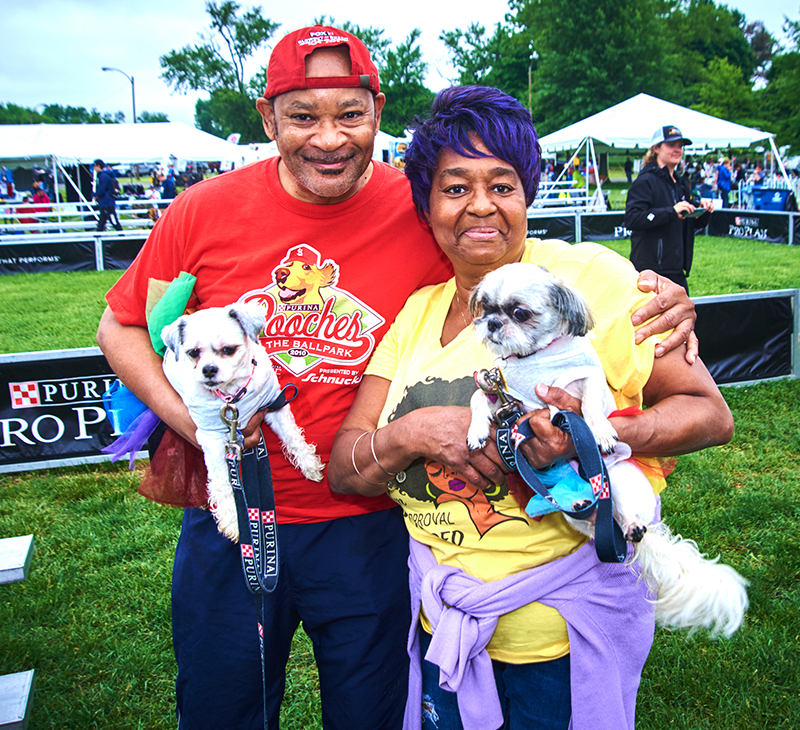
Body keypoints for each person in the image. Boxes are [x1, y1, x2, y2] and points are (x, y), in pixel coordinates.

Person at [97, 27, 697, 730]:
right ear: (268, 119)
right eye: (303, 116)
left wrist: (655, 293)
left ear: (377, 110)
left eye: (349, 114)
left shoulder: (420, 206)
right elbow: (121, 326)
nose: (329, 138)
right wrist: (199, 428)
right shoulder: (206, 208)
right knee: (221, 707)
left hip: (365, 527)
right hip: (234, 518)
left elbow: (501, 244)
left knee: (371, 713)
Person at [327, 86, 734, 730]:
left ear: (528, 194)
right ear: (426, 205)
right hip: (446, 626)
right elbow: (347, 470)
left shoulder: (589, 279)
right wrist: (408, 434)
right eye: (455, 187)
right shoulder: (416, 312)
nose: (480, 205)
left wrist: (596, 436)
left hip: (561, 638)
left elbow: (710, 414)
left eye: (503, 184)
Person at [624, 125, 713, 294]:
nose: (677, 150)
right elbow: (632, 219)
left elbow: (689, 223)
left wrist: (703, 213)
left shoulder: (680, 183)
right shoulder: (645, 181)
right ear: (656, 148)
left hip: (678, 271)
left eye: (680, 146)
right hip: (651, 273)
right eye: (671, 145)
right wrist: (670, 212)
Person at [93, 159, 123, 231]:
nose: (94, 168)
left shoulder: (103, 176)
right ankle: (98, 234)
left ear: (98, 166)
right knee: (102, 220)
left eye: (94, 166)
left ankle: (121, 235)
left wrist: (95, 194)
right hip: (105, 202)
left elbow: (102, 189)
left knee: (112, 220)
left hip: (107, 202)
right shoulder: (104, 175)